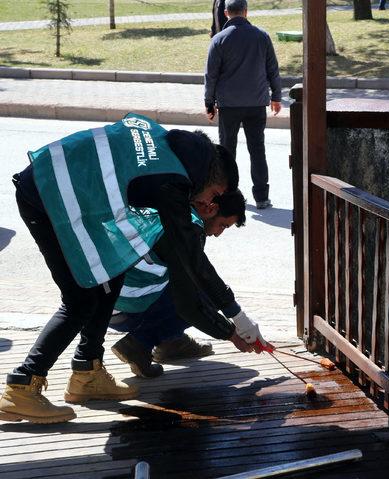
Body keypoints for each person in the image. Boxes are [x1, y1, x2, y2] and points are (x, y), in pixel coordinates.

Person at [0, 114, 271, 424]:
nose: (209, 203)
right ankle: (22, 385)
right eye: (214, 196)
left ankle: (87, 372)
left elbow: (194, 264)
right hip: (47, 195)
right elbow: (188, 290)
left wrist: (237, 316)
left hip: (61, 189)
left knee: (109, 278)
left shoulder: (164, 145)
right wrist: (231, 330)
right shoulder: (171, 184)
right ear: (212, 182)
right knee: (80, 300)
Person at [110, 189, 247, 378]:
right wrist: (231, 333)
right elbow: (191, 301)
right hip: (126, 308)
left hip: (106, 303)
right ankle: (139, 343)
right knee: (204, 293)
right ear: (211, 208)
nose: (218, 234)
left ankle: (171, 342)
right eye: (222, 225)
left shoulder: (172, 204)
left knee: (189, 283)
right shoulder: (189, 228)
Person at [204, 0, 282, 210]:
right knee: (257, 149)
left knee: (227, 151)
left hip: (229, 105)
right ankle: (262, 197)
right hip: (256, 104)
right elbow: (272, 68)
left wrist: (209, 103)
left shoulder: (219, 39)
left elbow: (211, 75)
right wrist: (276, 96)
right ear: (246, 11)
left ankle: (228, 194)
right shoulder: (262, 36)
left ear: (227, 13)